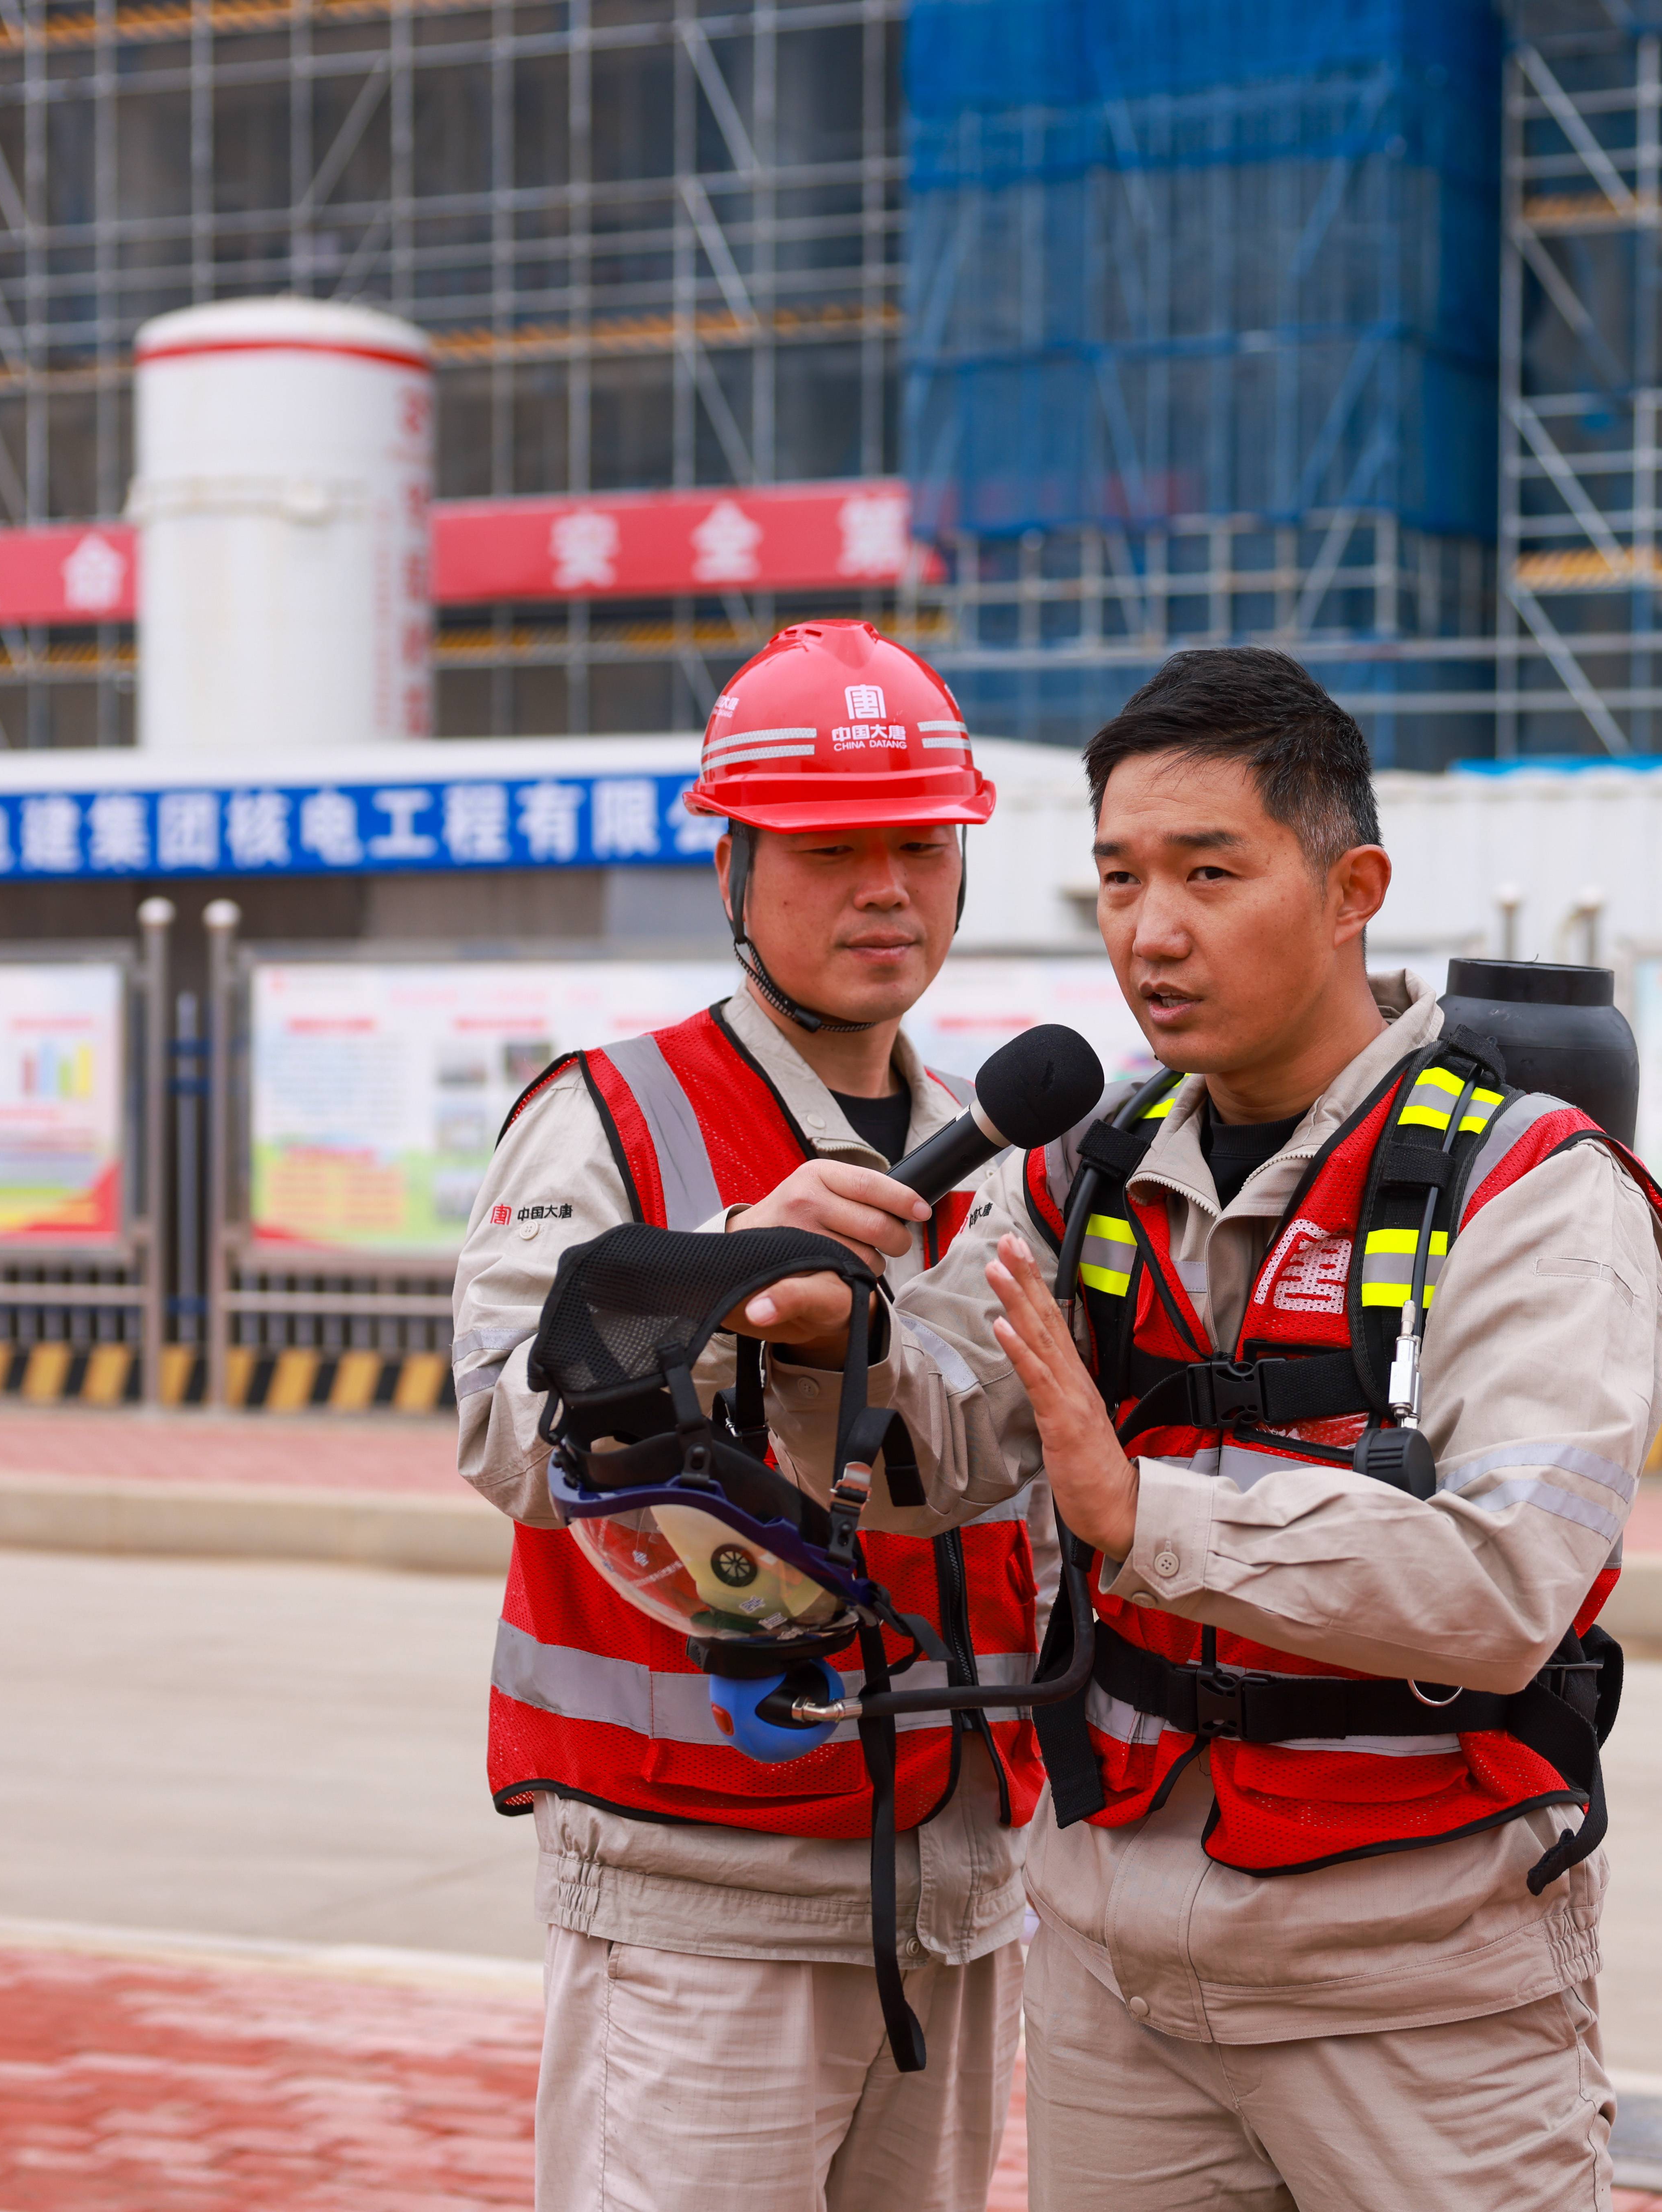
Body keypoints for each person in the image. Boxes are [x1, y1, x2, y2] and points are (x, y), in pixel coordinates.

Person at [733, 646, 1662, 2211]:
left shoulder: (1533, 1190)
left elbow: (1511, 1588)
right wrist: (830, 1352)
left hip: (1420, 1991)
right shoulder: (1086, 1168)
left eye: (1209, 872)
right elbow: (944, 1466)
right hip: (1117, 1979)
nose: (1151, 931)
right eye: (1117, 878)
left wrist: (1144, 1517)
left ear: (1350, 888)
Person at [451, 619, 1044, 2212]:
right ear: (733, 870)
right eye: (831, 849)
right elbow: (504, 1436)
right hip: (694, 1881)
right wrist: (707, 1279)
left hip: (958, 1881)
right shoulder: (611, 1117)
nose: (885, 890)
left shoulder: (999, 1154)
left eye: (920, 845)